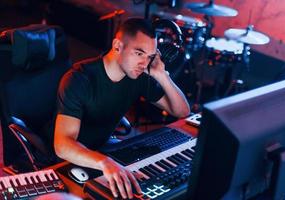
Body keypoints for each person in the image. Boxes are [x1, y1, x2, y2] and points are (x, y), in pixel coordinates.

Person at [53, 18, 190, 199]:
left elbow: (182, 111)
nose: (144, 63)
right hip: (71, 160)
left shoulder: (139, 75)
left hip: (106, 152)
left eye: (149, 56)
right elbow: (62, 145)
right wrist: (104, 162)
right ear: (117, 46)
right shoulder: (79, 79)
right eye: (139, 53)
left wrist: (161, 74)